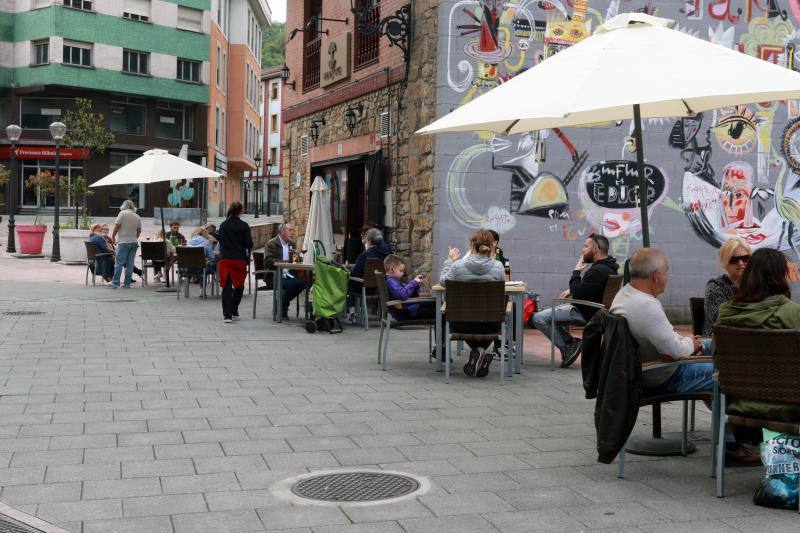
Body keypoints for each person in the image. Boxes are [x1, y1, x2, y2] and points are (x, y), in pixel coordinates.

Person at [609, 248, 759, 464]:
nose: (668, 278)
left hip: (647, 365)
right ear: (656, 276)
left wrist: (692, 344)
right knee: (725, 374)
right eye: (667, 272)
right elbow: (674, 351)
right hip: (659, 374)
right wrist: (690, 345)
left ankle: (734, 429)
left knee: (716, 345)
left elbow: (666, 341)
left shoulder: (627, 294)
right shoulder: (646, 306)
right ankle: (730, 446)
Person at [716, 248, 800, 422]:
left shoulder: (726, 314)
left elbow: (717, 360)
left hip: (740, 405)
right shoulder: (792, 313)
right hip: (791, 407)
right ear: (781, 276)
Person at [533, 233, 619, 367]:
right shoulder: (610, 267)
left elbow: (578, 295)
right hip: (596, 311)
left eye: (585, 246)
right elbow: (587, 289)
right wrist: (571, 290)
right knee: (550, 315)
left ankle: (568, 345)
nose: (582, 250)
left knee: (539, 318)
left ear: (595, 249)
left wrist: (576, 271)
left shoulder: (597, 271)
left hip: (585, 312)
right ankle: (570, 343)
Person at [440, 229, 505, 378]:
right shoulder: (498, 267)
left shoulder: (457, 266)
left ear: (471, 246)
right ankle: (481, 351)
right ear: (492, 246)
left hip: (461, 323)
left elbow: (443, 282)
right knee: (501, 313)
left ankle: (477, 352)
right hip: (491, 325)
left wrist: (449, 261)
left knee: (454, 314)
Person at [702, 237, 751, 335]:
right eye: (734, 259)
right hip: (719, 339)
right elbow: (719, 318)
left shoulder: (755, 283)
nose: (741, 263)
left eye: (745, 258)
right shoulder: (715, 286)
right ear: (725, 262)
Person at [216, 202, 253, 323]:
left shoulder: (223, 225)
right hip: (239, 260)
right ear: (241, 211)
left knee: (226, 287)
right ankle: (234, 308)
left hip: (225, 259)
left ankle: (227, 315)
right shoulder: (244, 225)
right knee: (239, 285)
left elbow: (220, 241)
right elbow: (249, 244)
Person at [265, 222, 307, 319]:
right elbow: (268, 261)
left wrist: (298, 259)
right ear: (282, 232)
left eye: (293, 230)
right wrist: (284, 262)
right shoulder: (271, 243)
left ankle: (280, 306)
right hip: (275, 275)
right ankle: (283, 309)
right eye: (290, 230)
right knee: (295, 284)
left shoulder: (292, 244)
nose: (293, 233)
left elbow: (297, 259)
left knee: (302, 283)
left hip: (289, 275)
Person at [107, 200, 141, 289]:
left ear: (124, 206)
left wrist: (113, 236)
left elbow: (117, 226)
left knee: (119, 263)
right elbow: (139, 230)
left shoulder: (122, 213)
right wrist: (134, 238)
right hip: (133, 242)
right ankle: (127, 284)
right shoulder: (137, 216)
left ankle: (115, 282)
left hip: (123, 242)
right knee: (130, 264)